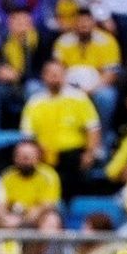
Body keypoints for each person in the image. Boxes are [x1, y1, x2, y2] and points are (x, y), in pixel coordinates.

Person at [21, 58, 104, 198]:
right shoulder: (35, 102)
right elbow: (28, 135)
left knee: (72, 168)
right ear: (44, 76)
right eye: (51, 74)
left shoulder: (79, 98)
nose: (55, 78)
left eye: (58, 74)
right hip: (44, 155)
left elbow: (93, 128)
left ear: (65, 76)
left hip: (73, 154)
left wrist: (90, 154)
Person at [52, 6, 123, 127]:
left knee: (106, 96)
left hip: (98, 86)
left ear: (94, 22)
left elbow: (110, 74)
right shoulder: (63, 41)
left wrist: (90, 90)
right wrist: (68, 88)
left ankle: (103, 137)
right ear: (74, 23)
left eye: (87, 21)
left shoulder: (107, 41)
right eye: (80, 21)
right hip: (68, 85)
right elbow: (57, 69)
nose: (83, 25)